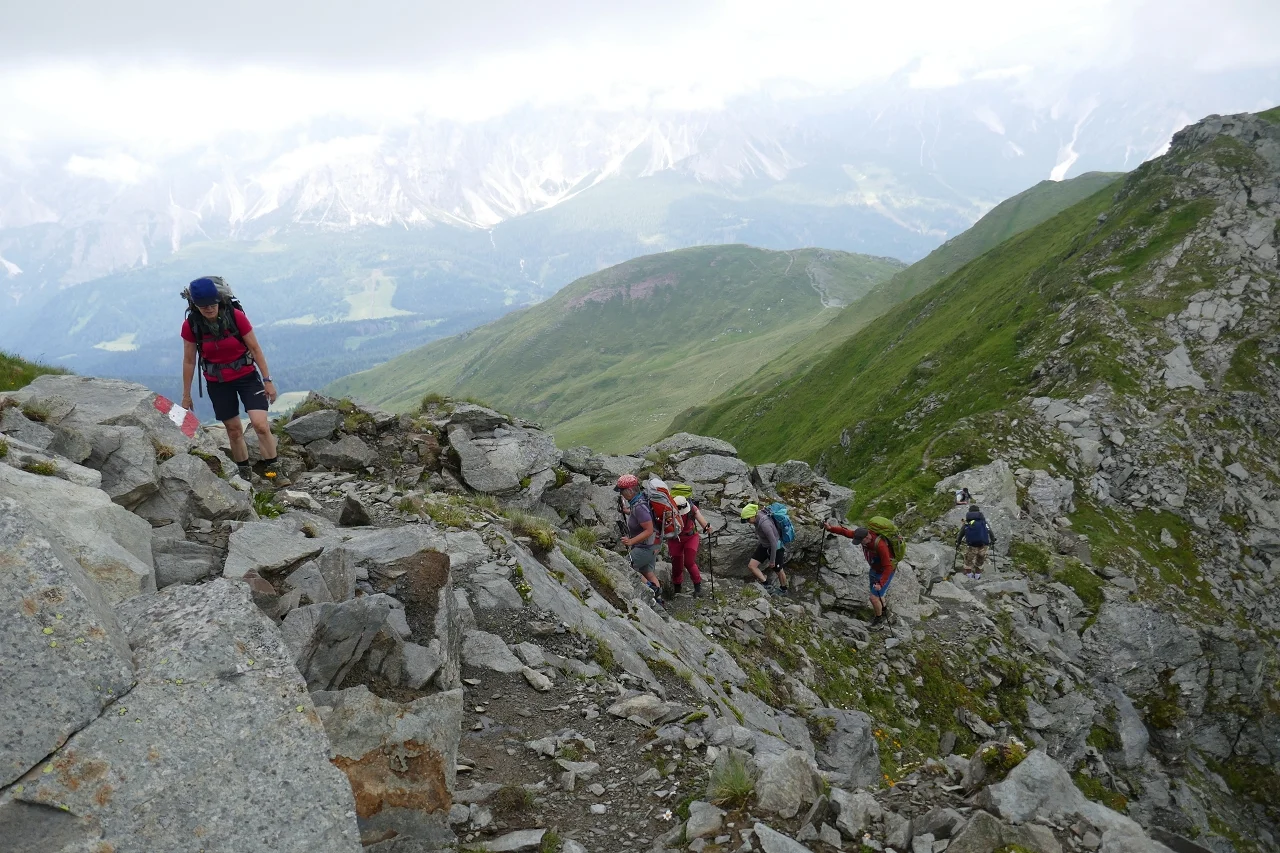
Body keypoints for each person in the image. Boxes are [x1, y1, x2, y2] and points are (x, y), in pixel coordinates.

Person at [180, 276, 281, 483]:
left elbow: (255, 348)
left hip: (247, 376)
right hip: (217, 383)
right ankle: (245, 476)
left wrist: (267, 380)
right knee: (234, 431)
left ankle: (275, 472)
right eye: (203, 306)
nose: (209, 309)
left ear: (218, 300)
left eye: (212, 304)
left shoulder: (235, 316)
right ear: (195, 305)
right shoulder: (191, 325)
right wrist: (186, 395)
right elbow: (189, 361)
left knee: (261, 425)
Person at [824, 522, 895, 627]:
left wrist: (881, 583)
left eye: (861, 541)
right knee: (877, 595)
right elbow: (845, 532)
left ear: (867, 537)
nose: (860, 543)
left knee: (873, 598)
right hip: (874, 568)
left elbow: (888, 567)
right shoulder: (860, 534)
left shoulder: (880, 545)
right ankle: (884, 612)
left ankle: (878, 621)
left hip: (884, 571)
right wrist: (830, 528)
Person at [615, 474, 664, 608]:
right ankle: (659, 602)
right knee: (647, 572)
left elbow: (649, 530)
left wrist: (631, 541)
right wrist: (627, 511)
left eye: (622, 491)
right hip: (654, 545)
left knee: (625, 566)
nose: (621, 494)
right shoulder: (640, 500)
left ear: (630, 490)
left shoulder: (639, 506)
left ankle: (651, 589)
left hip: (645, 547)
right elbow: (641, 515)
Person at [740, 503, 788, 595]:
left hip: (776, 548)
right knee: (752, 566)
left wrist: (772, 561)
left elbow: (773, 543)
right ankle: (766, 585)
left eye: (748, 519)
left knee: (779, 570)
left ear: (753, 516)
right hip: (764, 545)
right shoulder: (757, 516)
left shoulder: (765, 524)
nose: (748, 522)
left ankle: (783, 589)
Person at [670, 495, 711, 597]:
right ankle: (677, 588)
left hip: (691, 537)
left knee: (689, 562)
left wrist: (706, 527)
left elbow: (701, 520)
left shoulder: (692, 508)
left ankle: (698, 588)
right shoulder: (668, 510)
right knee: (676, 564)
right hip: (675, 538)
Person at [956, 503, 996, 579]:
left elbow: (961, 533)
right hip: (983, 545)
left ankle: (969, 575)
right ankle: (977, 576)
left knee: (968, 560)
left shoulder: (967, 522)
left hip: (972, 545)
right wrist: (993, 540)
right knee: (980, 560)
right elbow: (990, 531)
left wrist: (958, 542)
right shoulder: (983, 522)